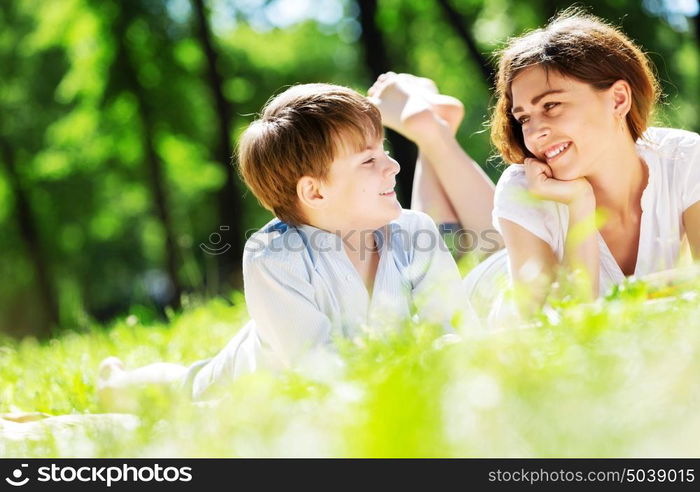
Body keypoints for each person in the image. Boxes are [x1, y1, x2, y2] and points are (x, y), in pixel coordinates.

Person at [97, 83, 474, 408]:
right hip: (252, 377)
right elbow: (321, 372)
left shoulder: (415, 234)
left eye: (384, 150)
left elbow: (455, 327)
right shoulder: (274, 256)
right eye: (369, 160)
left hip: (383, 373)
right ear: (314, 190)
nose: (392, 166)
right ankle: (116, 383)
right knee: (186, 388)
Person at [369, 10, 700, 320]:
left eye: (552, 105)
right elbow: (564, 323)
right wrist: (578, 204)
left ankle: (432, 130)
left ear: (618, 99)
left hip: (520, 259)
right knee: (446, 271)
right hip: (493, 299)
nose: (535, 131)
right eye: (523, 117)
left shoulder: (683, 158)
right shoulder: (524, 184)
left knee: (494, 241)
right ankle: (430, 134)